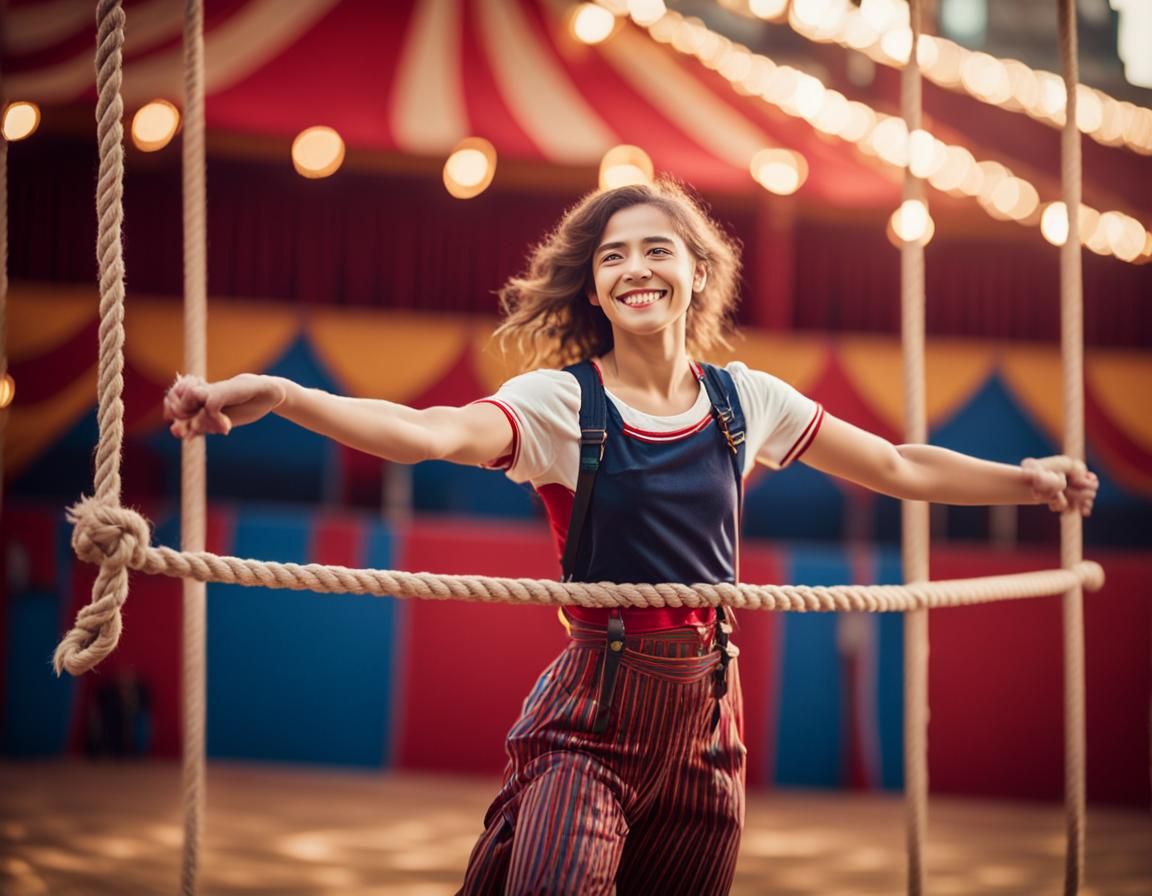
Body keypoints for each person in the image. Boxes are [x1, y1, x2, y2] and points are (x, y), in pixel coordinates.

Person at [164, 180, 1097, 895]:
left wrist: (1025, 480)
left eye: (658, 249)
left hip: (708, 726)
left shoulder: (747, 399)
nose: (637, 268)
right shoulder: (562, 403)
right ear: (596, 287)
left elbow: (897, 467)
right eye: (614, 257)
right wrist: (282, 397)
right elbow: (428, 433)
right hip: (592, 717)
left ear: (697, 270)